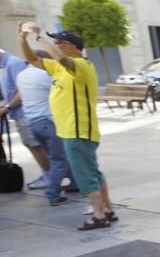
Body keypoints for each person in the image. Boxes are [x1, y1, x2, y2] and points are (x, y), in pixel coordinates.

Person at [17, 24, 116, 230]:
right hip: (71, 130)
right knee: (92, 171)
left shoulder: (80, 64)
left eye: (58, 43)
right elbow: (33, 59)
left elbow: (61, 58)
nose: (56, 46)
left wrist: (39, 36)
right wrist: (22, 39)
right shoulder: (60, 67)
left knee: (84, 174)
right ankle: (107, 209)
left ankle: (99, 216)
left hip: (78, 130)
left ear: (71, 46)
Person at [17, 50, 76, 206]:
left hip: (33, 122)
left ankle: (75, 183)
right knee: (59, 159)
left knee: (58, 155)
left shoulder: (22, 75)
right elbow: (61, 92)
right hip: (48, 121)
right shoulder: (44, 75)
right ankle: (53, 193)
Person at [0, 47, 51, 190]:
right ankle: (47, 174)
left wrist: (7, 107)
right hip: (18, 113)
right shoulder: (5, 65)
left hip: (25, 113)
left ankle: (49, 176)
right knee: (31, 145)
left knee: (36, 146)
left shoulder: (13, 63)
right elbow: (12, 91)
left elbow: (22, 90)